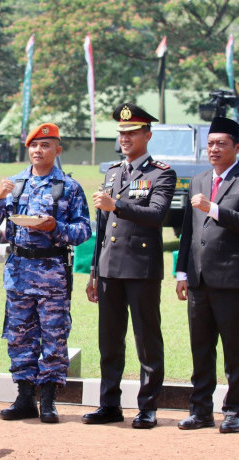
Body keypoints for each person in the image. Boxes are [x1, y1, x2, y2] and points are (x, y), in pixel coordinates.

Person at [0, 123, 91, 424]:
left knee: (54, 336)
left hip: (52, 273)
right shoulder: (15, 183)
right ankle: (24, 396)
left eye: (46, 145)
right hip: (18, 273)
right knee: (19, 337)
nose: (38, 151)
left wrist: (55, 227)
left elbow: (83, 231)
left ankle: (50, 398)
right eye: (34, 146)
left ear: (58, 149)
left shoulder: (68, 187)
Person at [84, 103, 176, 429]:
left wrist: (118, 205)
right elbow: (102, 226)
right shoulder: (111, 172)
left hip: (141, 268)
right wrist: (94, 271)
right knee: (109, 341)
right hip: (109, 269)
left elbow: (156, 216)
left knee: (147, 341)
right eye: (122, 133)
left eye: (132, 132)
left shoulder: (161, 173)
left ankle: (148, 407)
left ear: (147, 135)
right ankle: (109, 404)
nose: (125, 138)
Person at [175, 116, 239, 433]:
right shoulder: (198, 180)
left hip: (228, 280)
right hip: (198, 279)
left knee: (233, 349)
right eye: (210, 143)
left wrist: (212, 207)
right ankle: (200, 410)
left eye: (220, 144)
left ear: (236, 147)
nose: (213, 149)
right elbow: (188, 232)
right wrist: (181, 272)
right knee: (200, 348)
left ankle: (235, 411)